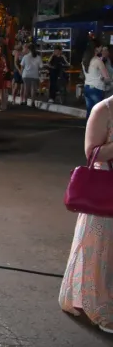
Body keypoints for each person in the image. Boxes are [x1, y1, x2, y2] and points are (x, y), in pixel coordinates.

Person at [59, 93, 113, 332]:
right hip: (106, 193)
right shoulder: (104, 110)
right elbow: (91, 153)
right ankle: (100, 306)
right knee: (102, 253)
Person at [83, 41, 111, 117]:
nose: (101, 49)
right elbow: (107, 78)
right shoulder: (98, 61)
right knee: (99, 113)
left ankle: (88, 128)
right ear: (96, 49)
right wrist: (104, 79)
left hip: (87, 87)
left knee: (90, 112)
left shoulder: (85, 60)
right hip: (97, 88)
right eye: (100, 47)